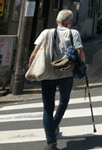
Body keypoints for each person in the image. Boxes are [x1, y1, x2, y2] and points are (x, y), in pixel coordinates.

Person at [29, 10, 85, 150]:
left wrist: (31, 68)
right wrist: (83, 64)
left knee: (48, 108)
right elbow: (80, 53)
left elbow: (35, 52)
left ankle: (51, 142)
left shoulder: (46, 32)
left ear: (56, 21)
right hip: (66, 74)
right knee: (63, 101)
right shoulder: (74, 33)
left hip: (47, 74)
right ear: (69, 22)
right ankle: (53, 126)